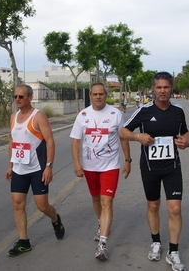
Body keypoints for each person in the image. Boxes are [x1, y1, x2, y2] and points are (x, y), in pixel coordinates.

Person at [119, 71, 189, 271]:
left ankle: (173, 251)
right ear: (154, 89)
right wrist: (138, 137)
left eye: (166, 87)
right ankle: (156, 242)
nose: (162, 91)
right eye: (159, 87)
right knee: (153, 205)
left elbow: (185, 132)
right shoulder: (143, 110)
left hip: (172, 168)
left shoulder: (178, 111)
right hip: (150, 168)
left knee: (175, 209)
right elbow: (123, 131)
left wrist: (187, 140)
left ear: (171, 89)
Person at [70, 82, 131, 260]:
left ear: (106, 95)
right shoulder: (83, 115)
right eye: (95, 94)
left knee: (107, 202)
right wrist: (77, 163)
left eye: (101, 94)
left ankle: (102, 244)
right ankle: (101, 222)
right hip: (90, 167)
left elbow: (123, 137)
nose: (98, 97)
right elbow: (75, 141)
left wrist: (127, 160)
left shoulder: (115, 114)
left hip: (110, 166)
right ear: (90, 96)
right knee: (96, 198)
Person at [5, 84, 65, 257]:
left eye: (21, 97)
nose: (17, 99)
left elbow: (50, 142)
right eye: (15, 96)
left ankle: (55, 219)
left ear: (30, 98)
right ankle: (24, 241)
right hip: (19, 168)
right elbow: (12, 141)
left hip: (37, 168)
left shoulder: (38, 116)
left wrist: (49, 166)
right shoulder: (13, 117)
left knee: (42, 206)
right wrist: (10, 165)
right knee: (17, 203)